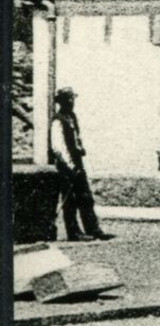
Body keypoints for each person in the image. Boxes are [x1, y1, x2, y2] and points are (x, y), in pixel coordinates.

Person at [48, 88, 113, 242]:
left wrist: (80, 150)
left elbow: (76, 138)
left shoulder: (71, 117)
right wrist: (71, 167)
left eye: (72, 99)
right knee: (70, 200)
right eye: (68, 99)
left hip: (78, 164)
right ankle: (74, 232)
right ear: (61, 101)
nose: (71, 102)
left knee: (86, 197)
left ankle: (93, 229)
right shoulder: (58, 120)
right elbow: (59, 148)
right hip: (66, 167)